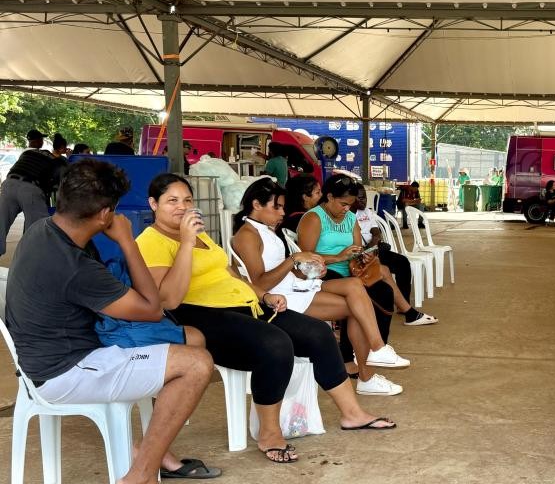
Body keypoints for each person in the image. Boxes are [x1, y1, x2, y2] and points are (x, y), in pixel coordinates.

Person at [4, 159, 216, 484]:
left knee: (186, 342)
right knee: (196, 364)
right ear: (106, 214)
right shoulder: (73, 264)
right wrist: (127, 241)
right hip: (66, 371)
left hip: (50, 356)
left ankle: (154, 453)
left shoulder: (43, 230)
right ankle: (140, 480)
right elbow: (152, 308)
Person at [138, 173, 396, 465]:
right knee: (275, 344)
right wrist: (185, 244)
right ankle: (269, 432)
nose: (182, 207)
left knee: (318, 333)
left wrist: (263, 295)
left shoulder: (201, 237)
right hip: (201, 314)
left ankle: (352, 414)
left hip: (244, 304)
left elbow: (232, 275)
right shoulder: (151, 241)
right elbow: (169, 300)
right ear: (153, 204)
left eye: (187, 200)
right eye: (172, 201)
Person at [231, 179, 408, 396]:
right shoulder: (247, 236)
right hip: (279, 297)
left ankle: (377, 352)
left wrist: (310, 270)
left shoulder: (265, 230)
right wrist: (293, 259)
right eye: (277, 207)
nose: (282, 213)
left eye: (283, 207)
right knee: (358, 307)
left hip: (293, 285)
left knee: (355, 287)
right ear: (257, 205)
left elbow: (281, 268)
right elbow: (259, 284)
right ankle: (369, 371)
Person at [350, 182, 435, 326]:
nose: (364, 201)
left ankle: (403, 305)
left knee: (402, 262)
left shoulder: (367, 212)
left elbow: (376, 231)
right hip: (359, 255)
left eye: (365, 197)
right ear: (351, 198)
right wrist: (366, 250)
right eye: (360, 198)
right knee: (379, 274)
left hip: (373, 250)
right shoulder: (347, 215)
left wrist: (373, 244)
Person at [0, 129, 62, 257]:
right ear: (39, 141)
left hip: (9, 184)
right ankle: (31, 258)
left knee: (1, 223)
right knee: (37, 227)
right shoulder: (52, 157)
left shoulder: (26, 154)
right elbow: (59, 178)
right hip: (30, 187)